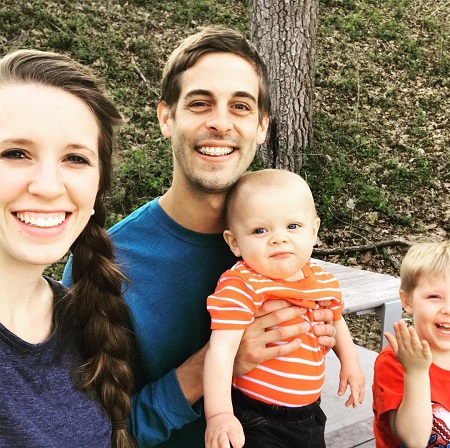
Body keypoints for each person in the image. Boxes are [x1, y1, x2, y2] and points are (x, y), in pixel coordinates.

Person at [62, 25, 337, 447]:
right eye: (200, 103)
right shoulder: (107, 264)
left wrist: (323, 331)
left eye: (240, 107)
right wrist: (206, 369)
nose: (220, 123)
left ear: (262, 126)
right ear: (166, 118)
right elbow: (88, 434)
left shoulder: (288, 237)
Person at [0, 49, 137, 447]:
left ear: (97, 188)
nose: (47, 185)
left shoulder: (88, 319)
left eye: (75, 158)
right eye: (14, 153)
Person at [204, 169, 365, 448]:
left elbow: (336, 320)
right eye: (260, 230)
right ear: (234, 242)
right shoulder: (242, 283)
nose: (278, 238)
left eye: (292, 226)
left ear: (313, 231)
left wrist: (350, 362)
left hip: (310, 414)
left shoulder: (321, 277)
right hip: (257, 417)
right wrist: (219, 414)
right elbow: (221, 351)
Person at [372, 241, 450, 448]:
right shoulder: (395, 360)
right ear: (407, 301)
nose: (448, 309)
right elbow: (414, 440)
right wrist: (415, 372)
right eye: (435, 297)